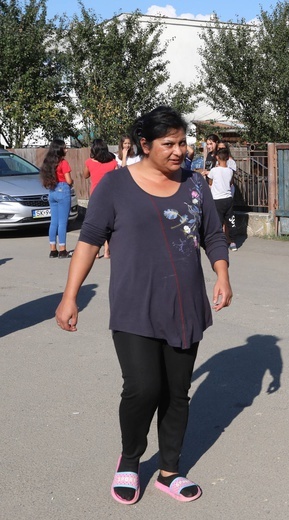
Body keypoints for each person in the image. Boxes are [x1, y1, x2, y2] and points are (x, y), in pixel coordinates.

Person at [55, 106, 233, 505]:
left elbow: (212, 235)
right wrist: (70, 296)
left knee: (177, 392)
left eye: (182, 142)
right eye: (168, 144)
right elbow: (88, 240)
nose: (178, 151)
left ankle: (169, 470)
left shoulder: (195, 184)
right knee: (142, 388)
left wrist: (221, 274)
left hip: (185, 304)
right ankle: (130, 461)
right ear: (144, 145)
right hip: (135, 305)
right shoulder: (115, 186)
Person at [84, 139, 117, 258]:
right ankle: (107, 250)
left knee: (96, 224)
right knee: (109, 223)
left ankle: (96, 252)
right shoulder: (113, 162)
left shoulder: (89, 162)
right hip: (110, 195)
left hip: (95, 195)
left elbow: (85, 175)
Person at [39, 139, 73, 259]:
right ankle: (62, 249)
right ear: (59, 150)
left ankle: (53, 249)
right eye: (64, 148)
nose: (66, 150)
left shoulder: (48, 163)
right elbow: (68, 180)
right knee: (63, 222)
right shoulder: (63, 163)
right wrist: (72, 182)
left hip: (52, 191)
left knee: (54, 222)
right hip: (63, 189)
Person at [208, 148, 238, 251]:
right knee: (231, 221)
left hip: (217, 200)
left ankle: (218, 244)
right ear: (227, 158)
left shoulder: (214, 170)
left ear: (217, 157)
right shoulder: (230, 171)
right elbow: (230, 183)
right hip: (228, 199)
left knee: (218, 223)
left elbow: (210, 182)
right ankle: (233, 242)